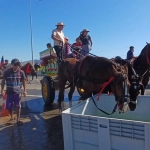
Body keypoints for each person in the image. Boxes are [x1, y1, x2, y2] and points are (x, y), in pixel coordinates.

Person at [1, 58, 27, 125]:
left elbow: (24, 81)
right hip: (9, 93)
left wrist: (25, 91)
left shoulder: (21, 72)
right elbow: (3, 81)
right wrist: (2, 89)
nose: (16, 66)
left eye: (18, 64)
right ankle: (12, 117)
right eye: (15, 64)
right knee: (9, 106)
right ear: (12, 65)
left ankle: (18, 119)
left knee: (18, 106)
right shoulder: (7, 72)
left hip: (17, 93)